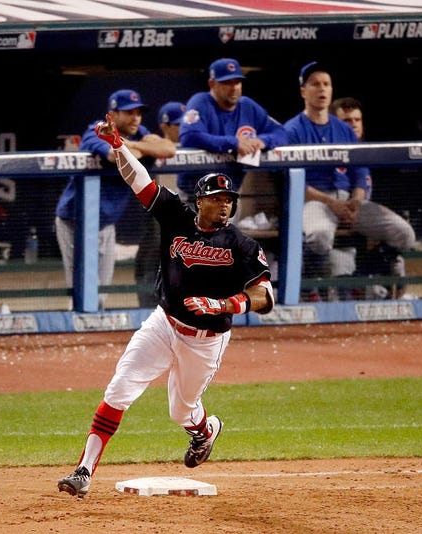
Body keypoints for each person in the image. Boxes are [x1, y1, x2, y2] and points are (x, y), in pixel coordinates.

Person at [57, 113, 274, 498]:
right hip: (165, 323)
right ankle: (84, 471)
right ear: (200, 201)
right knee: (119, 388)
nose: (224, 206)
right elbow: (139, 180)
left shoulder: (242, 245)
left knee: (181, 410)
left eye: (229, 200)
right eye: (217, 198)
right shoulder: (177, 216)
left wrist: (223, 303)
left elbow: (265, 296)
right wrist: (118, 144)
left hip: (206, 340)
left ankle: (204, 431)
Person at [283, 62, 416, 298]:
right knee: (320, 237)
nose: (322, 89)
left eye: (326, 84)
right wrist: (330, 202)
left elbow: (360, 171)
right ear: (303, 91)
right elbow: (292, 182)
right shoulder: (292, 130)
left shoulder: (343, 130)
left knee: (404, 233)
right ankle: (309, 285)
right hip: (314, 201)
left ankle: (363, 276)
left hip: (349, 202)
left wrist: (356, 200)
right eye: (315, 84)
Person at [55, 89, 175, 309]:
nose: (135, 118)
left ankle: (92, 327)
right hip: (76, 221)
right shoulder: (96, 131)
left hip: (106, 223)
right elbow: (114, 154)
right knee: (82, 287)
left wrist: (134, 145)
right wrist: (137, 148)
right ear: (113, 114)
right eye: (129, 113)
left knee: (102, 287)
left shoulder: (138, 133)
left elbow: (168, 149)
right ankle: (80, 330)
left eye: (138, 112)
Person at [330, 96, 416, 299]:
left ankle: (358, 277)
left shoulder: (362, 150)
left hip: (356, 212)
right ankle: (313, 288)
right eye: (347, 121)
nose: (354, 125)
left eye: (357, 120)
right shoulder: (323, 148)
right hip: (326, 209)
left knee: (405, 234)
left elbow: (361, 187)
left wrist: (356, 204)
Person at [178, 57, 287, 200]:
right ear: (212, 84)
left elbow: (281, 133)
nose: (234, 87)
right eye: (226, 83)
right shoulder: (201, 102)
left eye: (237, 82)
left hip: (227, 198)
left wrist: (262, 141)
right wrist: (234, 143)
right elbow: (189, 136)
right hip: (194, 196)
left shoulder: (248, 106)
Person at [134, 101, 184, 307]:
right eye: (177, 124)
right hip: (158, 220)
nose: (183, 129)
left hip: (185, 219)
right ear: (165, 126)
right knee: (150, 263)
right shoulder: (151, 146)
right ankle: (147, 309)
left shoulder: (194, 145)